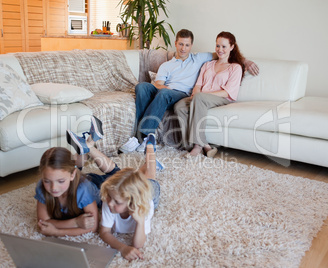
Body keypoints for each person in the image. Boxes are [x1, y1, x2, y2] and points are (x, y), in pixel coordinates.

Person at [131, 29, 259, 152]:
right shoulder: (166, 65)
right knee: (141, 87)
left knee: (164, 94)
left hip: (181, 94)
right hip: (166, 91)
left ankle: (145, 137)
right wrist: (166, 88)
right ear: (175, 43)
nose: (183, 48)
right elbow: (158, 84)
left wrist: (245, 61)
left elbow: (224, 54)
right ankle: (137, 138)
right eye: (180, 44)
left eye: (187, 45)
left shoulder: (199, 58)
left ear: (191, 46)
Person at [35, 116, 117, 236]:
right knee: (68, 171)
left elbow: (93, 228)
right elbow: (43, 222)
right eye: (47, 181)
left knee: (119, 175)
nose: (53, 188)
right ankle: (89, 143)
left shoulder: (83, 190)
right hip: (75, 179)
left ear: (72, 175)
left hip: (97, 185)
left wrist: (57, 231)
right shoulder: (42, 187)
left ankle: (89, 146)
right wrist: (75, 221)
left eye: (60, 181)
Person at [174, 31, 246, 157]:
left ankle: (197, 146)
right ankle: (195, 144)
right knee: (179, 106)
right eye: (218, 46)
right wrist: (195, 95)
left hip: (221, 99)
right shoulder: (208, 64)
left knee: (200, 98)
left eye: (224, 46)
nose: (220, 49)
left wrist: (202, 95)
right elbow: (197, 85)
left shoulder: (235, 67)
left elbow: (228, 92)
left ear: (232, 47)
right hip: (201, 97)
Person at [99, 133, 160, 261]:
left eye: (117, 202)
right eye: (110, 198)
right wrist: (122, 247)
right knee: (133, 179)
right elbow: (104, 232)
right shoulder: (110, 200)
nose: (110, 203)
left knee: (151, 177)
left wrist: (140, 221)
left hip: (149, 192)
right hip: (132, 190)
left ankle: (150, 148)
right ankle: (139, 171)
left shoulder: (144, 206)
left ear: (132, 202)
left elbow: (138, 245)